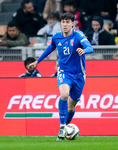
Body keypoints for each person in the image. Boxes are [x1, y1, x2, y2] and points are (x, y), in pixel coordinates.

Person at [28, 12, 93, 141]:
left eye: (68, 22)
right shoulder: (56, 37)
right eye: (63, 22)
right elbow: (50, 48)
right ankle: (62, 128)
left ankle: (66, 125)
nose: (65, 24)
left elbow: (90, 47)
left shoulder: (78, 35)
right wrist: (37, 62)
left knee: (71, 107)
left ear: (72, 24)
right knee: (64, 95)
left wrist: (84, 50)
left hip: (79, 75)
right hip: (64, 72)